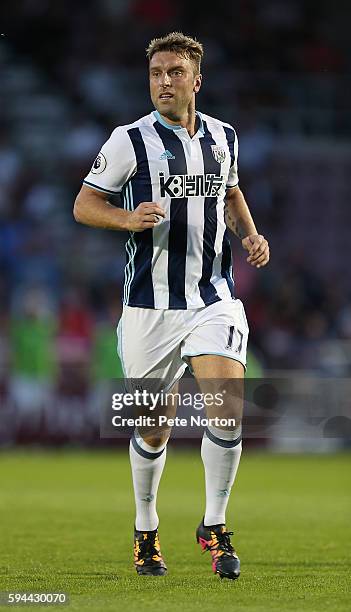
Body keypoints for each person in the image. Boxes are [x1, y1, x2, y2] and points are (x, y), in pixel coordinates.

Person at [74, 31, 270, 580]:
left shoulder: (224, 137)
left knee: (227, 406)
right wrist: (124, 218)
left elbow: (228, 191)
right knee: (154, 426)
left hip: (213, 298)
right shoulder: (127, 141)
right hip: (149, 308)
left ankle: (214, 525)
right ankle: (146, 530)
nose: (164, 82)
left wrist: (250, 234)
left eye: (175, 73)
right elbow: (84, 204)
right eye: (157, 73)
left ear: (196, 81)